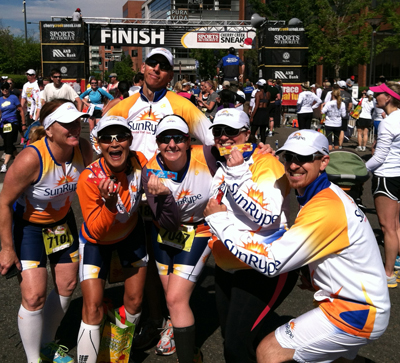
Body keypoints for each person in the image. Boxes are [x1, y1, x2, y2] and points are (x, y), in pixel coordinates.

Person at [205, 129, 390, 363]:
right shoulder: (319, 193)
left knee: (269, 351)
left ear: (323, 161)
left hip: (356, 312)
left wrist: (219, 220)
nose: (293, 165)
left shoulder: (325, 207)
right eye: (289, 157)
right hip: (353, 304)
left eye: (303, 158)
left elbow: (271, 262)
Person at [0, 99, 92, 363]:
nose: (75, 128)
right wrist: (6, 248)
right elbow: (4, 202)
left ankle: (47, 344)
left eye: (77, 122)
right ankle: (33, 359)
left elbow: (98, 179)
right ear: (49, 129)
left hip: (61, 224)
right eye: (67, 124)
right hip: (28, 228)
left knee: (67, 284)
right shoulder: (31, 157)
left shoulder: (83, 148)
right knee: (33, 295)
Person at [203, 109, 298, 363]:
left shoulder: (267, 164)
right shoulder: (223, 162)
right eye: (218, 131)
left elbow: (266, 218)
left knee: (236, 344)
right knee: (233, 337)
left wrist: (236, 176)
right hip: (227, 264)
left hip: (262, 267)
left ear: (247, 133)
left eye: (231, 131)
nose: (223, 137)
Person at [76, 115, 148, 363]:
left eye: (121, 137)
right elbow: (97, 231)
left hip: (130, 234)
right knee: (92, 308)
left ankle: (116, 355)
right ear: (98, 143)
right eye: (107, 138)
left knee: (135, 301)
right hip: (97, 242)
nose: (114, 144)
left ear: (130, 140)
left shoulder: (140, 161)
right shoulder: (89, 178)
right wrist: (108, 204)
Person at [142, 114, 213, 362]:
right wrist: (164, 197)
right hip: (164, 232)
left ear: (188, 140)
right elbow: (168, 221)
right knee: (171, 295)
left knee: (174, 298)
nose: (172, 145)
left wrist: (261, 149)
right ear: (157, 141)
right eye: (165, 139)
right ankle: (175, 327)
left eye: (178, 139)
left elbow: (244, 151)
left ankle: (189, 355)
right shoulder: (150, 171)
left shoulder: (207, 155)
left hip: (199, 230)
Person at [103, 48, 214, 161]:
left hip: (164, 176)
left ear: (170, 76)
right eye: (152, 63)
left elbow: (213, 139)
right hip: (130, 176)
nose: (156, 69)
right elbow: (96, 136)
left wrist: (192, 167)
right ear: (143, 67)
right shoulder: (126, 104)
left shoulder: (183, 105)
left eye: (164, 66)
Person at [366, 82, 400, 287]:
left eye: (378, 94)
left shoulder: (387, 123)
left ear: (388, 98)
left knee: (388, 227)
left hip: (386, 176)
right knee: (396, 225)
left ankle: (388, 274)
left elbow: (378, 159)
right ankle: (397, 264)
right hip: (398, 174)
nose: (375, 97)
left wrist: (360, 170)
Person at [0, 82, 25, 172]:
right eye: (3, 89)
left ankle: (5, 164)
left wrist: (23, 123)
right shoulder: (0, 100)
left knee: (9, 142)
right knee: (7, 142)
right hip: (4, 123)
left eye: (6, 88)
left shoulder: (13, 98)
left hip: (13, 122)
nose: (5, 90)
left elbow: (21, 110)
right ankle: (19, 160)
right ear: (1, 90)